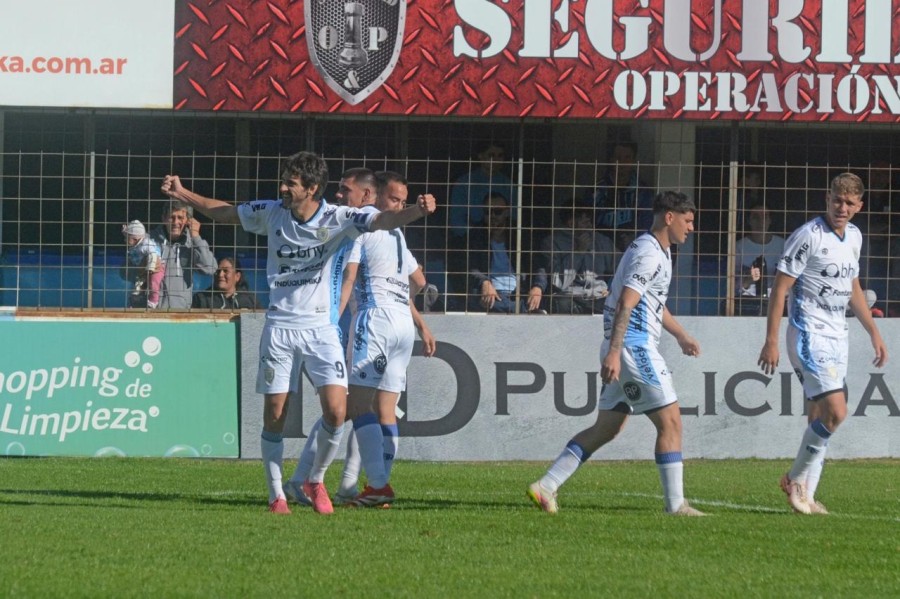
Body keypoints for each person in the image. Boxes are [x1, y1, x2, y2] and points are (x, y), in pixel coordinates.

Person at [161, 151, 436, 515]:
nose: (283, 188)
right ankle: (276, 495)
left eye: (291, 183)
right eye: (284, 181)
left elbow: (383, 219)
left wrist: (416, 211)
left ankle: (315, 479)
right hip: (280, 326)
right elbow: (225, 211)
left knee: (337, 411)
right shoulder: (272, 212)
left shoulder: (338, 218)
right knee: (276, 413)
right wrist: (183, 194)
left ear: (312, 188)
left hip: (321, 329)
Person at [527, 191, 705, 516]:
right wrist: (615, 351)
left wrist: (680, 335)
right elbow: (626, 301)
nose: (691, 228)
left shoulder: (659, 250)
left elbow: (652, 303)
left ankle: (546, 485)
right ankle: (676, 506)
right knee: (671, 423)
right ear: (669, 217)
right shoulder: (649, 253)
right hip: (633, 347)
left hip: (624, 347)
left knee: (607, 428)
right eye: (688, 220)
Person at [285, 171, 437, 508]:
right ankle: (351, 486)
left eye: (345, 190)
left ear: (370, 195)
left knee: (348, 405)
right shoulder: (396, 233)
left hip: (375, 319)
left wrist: (329, 322)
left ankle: (371, 484)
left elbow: (349, 278)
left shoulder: (361, 224)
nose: (339, 196)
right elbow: (418, 281)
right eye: (395, 200)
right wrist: (420, 324)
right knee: (380, 410)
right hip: (401, 324)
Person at [757, 172, 888, 515]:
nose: (841, 208)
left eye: (849, 203)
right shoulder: (808, 236)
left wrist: (873, 332)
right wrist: (771, 340)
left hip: (838, 335)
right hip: (808, 333)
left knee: (819, 416)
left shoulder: (854, 237)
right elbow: (780, 288)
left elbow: (853, 287)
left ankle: (807, 496)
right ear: (827, 199)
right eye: (836, 200)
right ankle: (794, 479)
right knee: (836, 411)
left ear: (859, 206)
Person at [452, 192, 544, 314]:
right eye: (488, 212)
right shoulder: (475, 236)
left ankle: (518, 307)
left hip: (519, 292)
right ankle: (521, 309)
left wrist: (537, 287)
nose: (492, 216)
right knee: (486, 302)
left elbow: (539, 266)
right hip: (490, 294)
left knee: (543, 298)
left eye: (498, 211)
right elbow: (468, 267)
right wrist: (484, 282)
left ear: (507, 212)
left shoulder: (521, 235)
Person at [539, 198, 615, 314]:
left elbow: (621, 267)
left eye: (590, 222)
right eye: (585, 223)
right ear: (571, 223)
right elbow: (559, 283)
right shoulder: (552, 243)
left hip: (600, 297)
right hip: (571, 298)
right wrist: (578, 252)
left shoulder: (601, 240)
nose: (590, 226)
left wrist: (612, 289)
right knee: (560, 303)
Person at [147, 201, 218, 309]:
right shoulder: (149, 239)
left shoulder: (192, 243)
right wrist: (143, 265)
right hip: (148, 310)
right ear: (164, 218)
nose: (176, 222)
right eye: (172, 217)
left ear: (188, 220)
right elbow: (126, 272)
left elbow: (210, 269)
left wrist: (196, 237)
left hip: (180, 311)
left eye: (180, 217)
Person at [590, 141, 655, 252]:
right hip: (601, 249)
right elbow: (587, 223)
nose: (622, 162)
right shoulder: (597, 190)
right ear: (611, 160)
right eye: (618, 157)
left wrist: (634, 239)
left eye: (627, 158)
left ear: (634, 161)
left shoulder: (643, 191)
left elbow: (649, 224)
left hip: (633, 249)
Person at [448, 140, 515, 240]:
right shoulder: (463, 183)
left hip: (502, 238)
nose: (496, 160)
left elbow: (515, 217)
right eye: (491, 155)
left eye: (500, 155)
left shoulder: (509, 184)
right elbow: (457, 221)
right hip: (470, 239)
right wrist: (476, 236)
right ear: (480, 156)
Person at [733, 203, 786, 316]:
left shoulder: (782, 245)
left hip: (777, 300)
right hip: (747, 302)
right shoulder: (739, 247)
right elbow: (731, 286)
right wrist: (748, 279)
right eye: (756, 217)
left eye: (765, 217)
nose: (761, 222)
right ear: (749, 221)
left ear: (770, 220)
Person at [122, 220, 165, 309]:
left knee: (154, 283)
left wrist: (150, 267)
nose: (125, 240)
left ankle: (154, 301)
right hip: (143, 269)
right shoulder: (135, 245)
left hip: (156, 268)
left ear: (135, 239)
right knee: (139, 284)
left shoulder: (146, 245)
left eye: (127, 238)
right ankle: (135, 299)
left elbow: (153, 255)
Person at [191, 256, 260, 310]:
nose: (220, 275)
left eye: (225, 271)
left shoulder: (251, 300)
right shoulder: (201, 299)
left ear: (237, 276)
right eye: (218, 271)